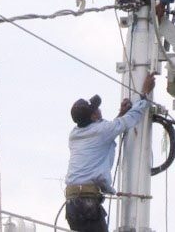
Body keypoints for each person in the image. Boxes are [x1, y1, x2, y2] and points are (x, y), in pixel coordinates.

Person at [64, 72, 156, 232]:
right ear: (93, 116)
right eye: (96, 109)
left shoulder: (74, 134)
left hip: (72, 204)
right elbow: (130, 119)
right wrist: (145, 94)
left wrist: (120, 114)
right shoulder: (102, 130)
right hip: (87, 203)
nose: (99, 110)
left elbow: (104, 132)